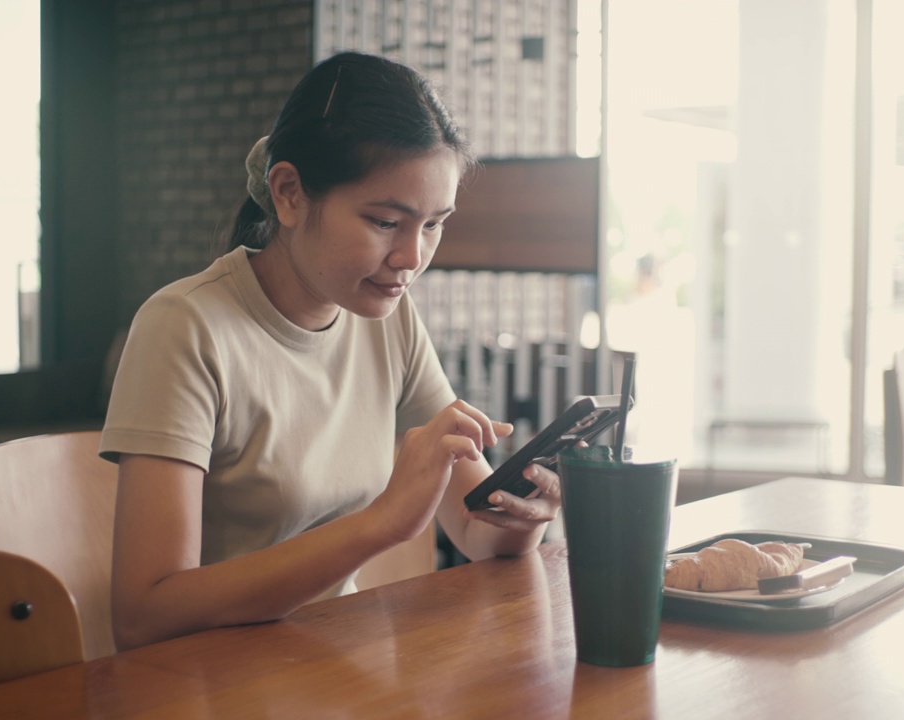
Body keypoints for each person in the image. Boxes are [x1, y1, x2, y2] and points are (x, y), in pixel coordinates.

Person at [100, 52, 561, 651]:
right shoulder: (185, 328)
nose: (411, 258)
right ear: (289, 194)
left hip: (332, 665)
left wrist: (521, 515)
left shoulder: (388, 320)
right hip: (204, 684)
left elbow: (476, 531)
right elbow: (145, 614)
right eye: (385, 221)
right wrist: (379, 525)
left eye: (432, 224)